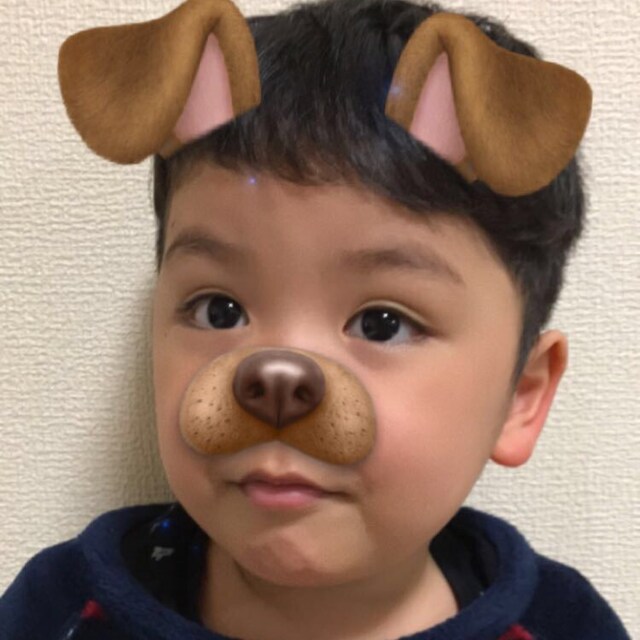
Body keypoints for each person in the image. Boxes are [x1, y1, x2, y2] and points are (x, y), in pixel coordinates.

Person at [0, 0, 631, 638]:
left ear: (522, 397)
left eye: (383, 323)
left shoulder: (564, 626)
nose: (276, 374)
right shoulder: (60, 611)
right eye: (219, 311)